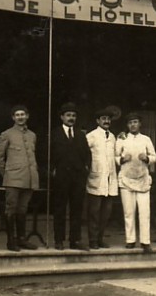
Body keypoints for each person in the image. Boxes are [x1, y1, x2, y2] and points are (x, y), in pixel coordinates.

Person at [0, 104, 39, 252]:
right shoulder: (7, 134)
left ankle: (21, 239)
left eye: (23, 114)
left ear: (27, 116)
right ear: (13, 117)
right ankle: (10, 241)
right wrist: (7, 174)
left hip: (29, 178)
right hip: (13, 179)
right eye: (17, 115)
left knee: (23, 209)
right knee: (11, 209)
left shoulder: (32, 135)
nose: (20, 117)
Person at [50, 102, 91, 250]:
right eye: (68, 115)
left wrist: (85, 167)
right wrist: (51, 169)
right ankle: (59, 240)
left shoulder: (80, 134)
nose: (71, 118)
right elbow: (47, 155)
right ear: (62, 117)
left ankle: (75, 240)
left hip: (78, 177)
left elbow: (87, 154)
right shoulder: (54, 133)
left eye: (73, 115)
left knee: (77, 209)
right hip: (61, 176)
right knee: (60, 208)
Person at [115, 112, 156, 252]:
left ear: (140, 124)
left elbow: (154, 156)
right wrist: (122, 159)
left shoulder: (146, 139)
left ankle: (145, 241)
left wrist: (146, 158)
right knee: (129, 212)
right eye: (130, 123)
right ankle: (130, 240)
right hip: (126, 179)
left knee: (144, 212)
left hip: (142, 179)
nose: (133, 125)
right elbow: (115, 156)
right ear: (127, 125)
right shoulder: (122, 139)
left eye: (135, 122)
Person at [85, 107, 119, 249]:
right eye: (104, 119)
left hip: (110, 180)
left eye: (108, 119)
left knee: (106, 213)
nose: (106, 121)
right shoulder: (91, 136)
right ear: (98, 121)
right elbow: (85, 155)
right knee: (94, 212)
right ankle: (92, 240)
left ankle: (100, 238)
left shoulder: (112, 137)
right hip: (96, 178)